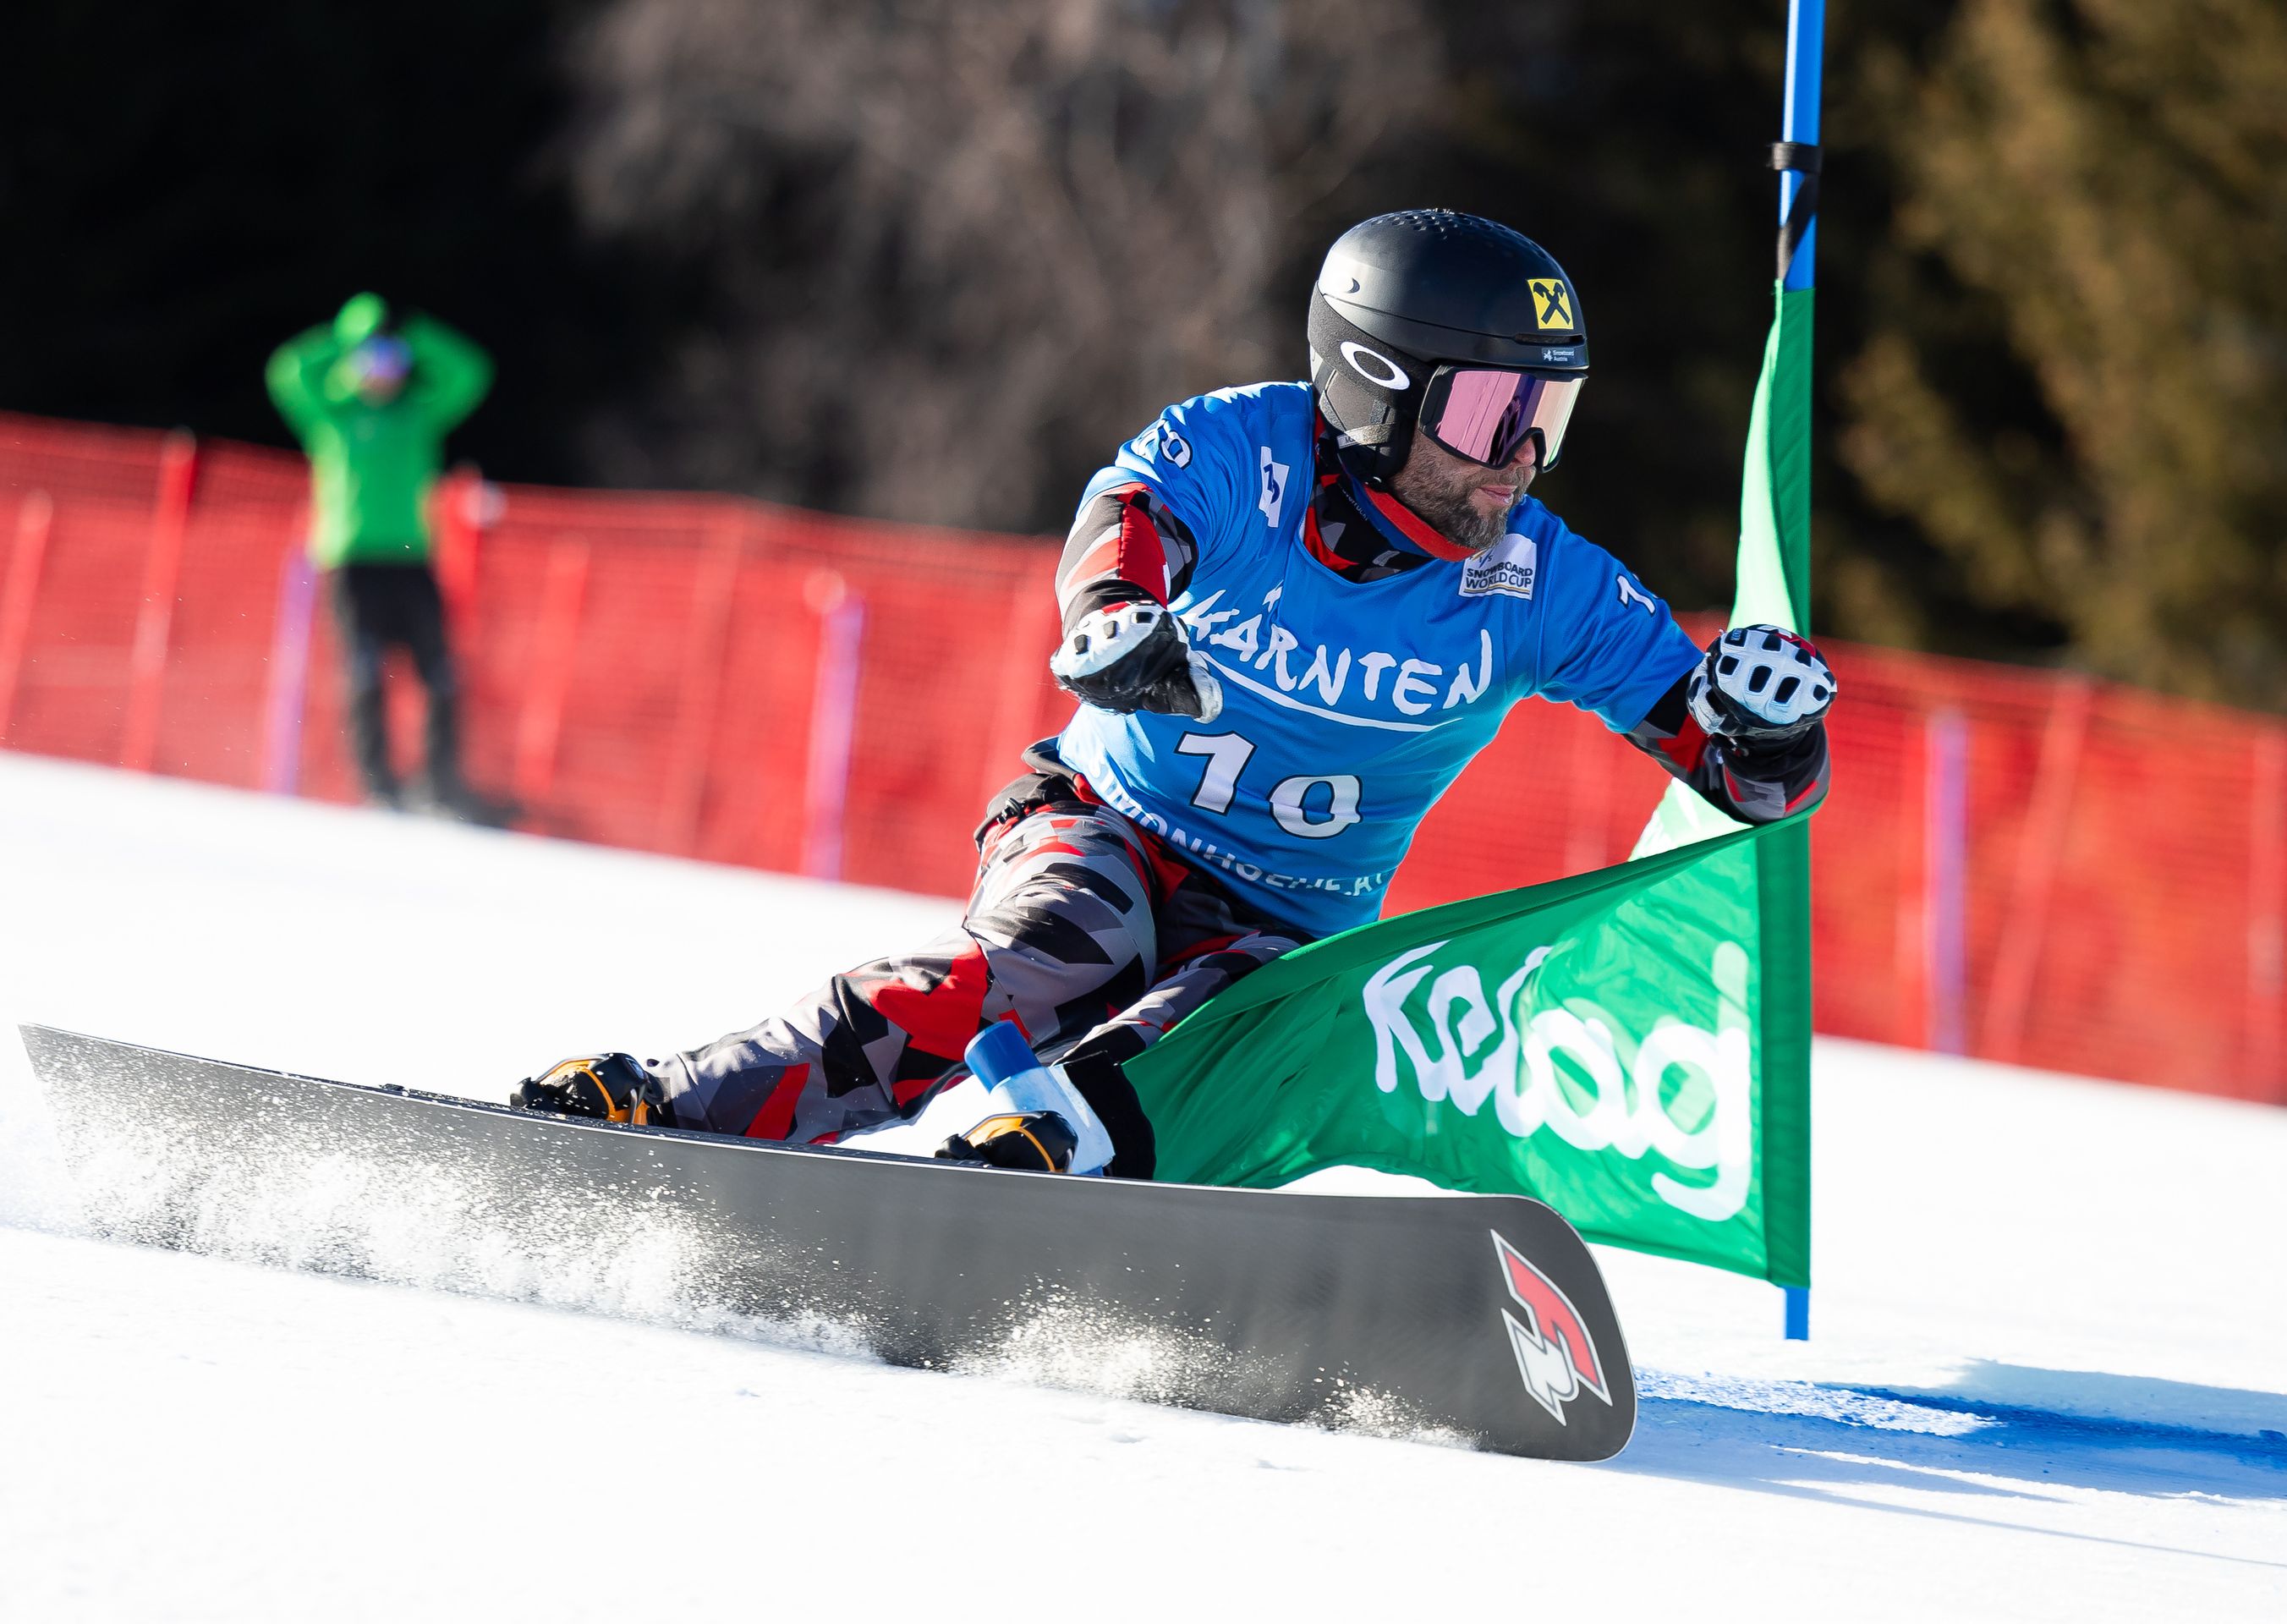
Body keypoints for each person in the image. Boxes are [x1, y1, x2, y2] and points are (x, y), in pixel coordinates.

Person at [518, 211, 1835, 1175]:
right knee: (1041, 964)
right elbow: (1126, 516)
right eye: (1491, 415)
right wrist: (1113, 619)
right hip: (1107, 822)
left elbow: (1731, 768)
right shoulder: (1240, 448)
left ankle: (1030, 1173)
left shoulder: (1540, 582)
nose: (1520, 464)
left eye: (1548, 418)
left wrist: (1774, 735)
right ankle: (665, 1110)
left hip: (1287, 925)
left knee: (1200, 1033)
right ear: (1374, 384)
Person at [267, 293, 495, 817]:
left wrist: (415, 332)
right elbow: (287, 369)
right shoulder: (333, 415)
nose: (383, 373)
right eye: (372, 359)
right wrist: (350, 336)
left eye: (392, 360)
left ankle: (440, 785)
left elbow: (471, 373)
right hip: (350, 560)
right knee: (365, 672)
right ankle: (379, 786)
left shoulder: (417, 416)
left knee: (439, 672)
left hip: (413, 558)